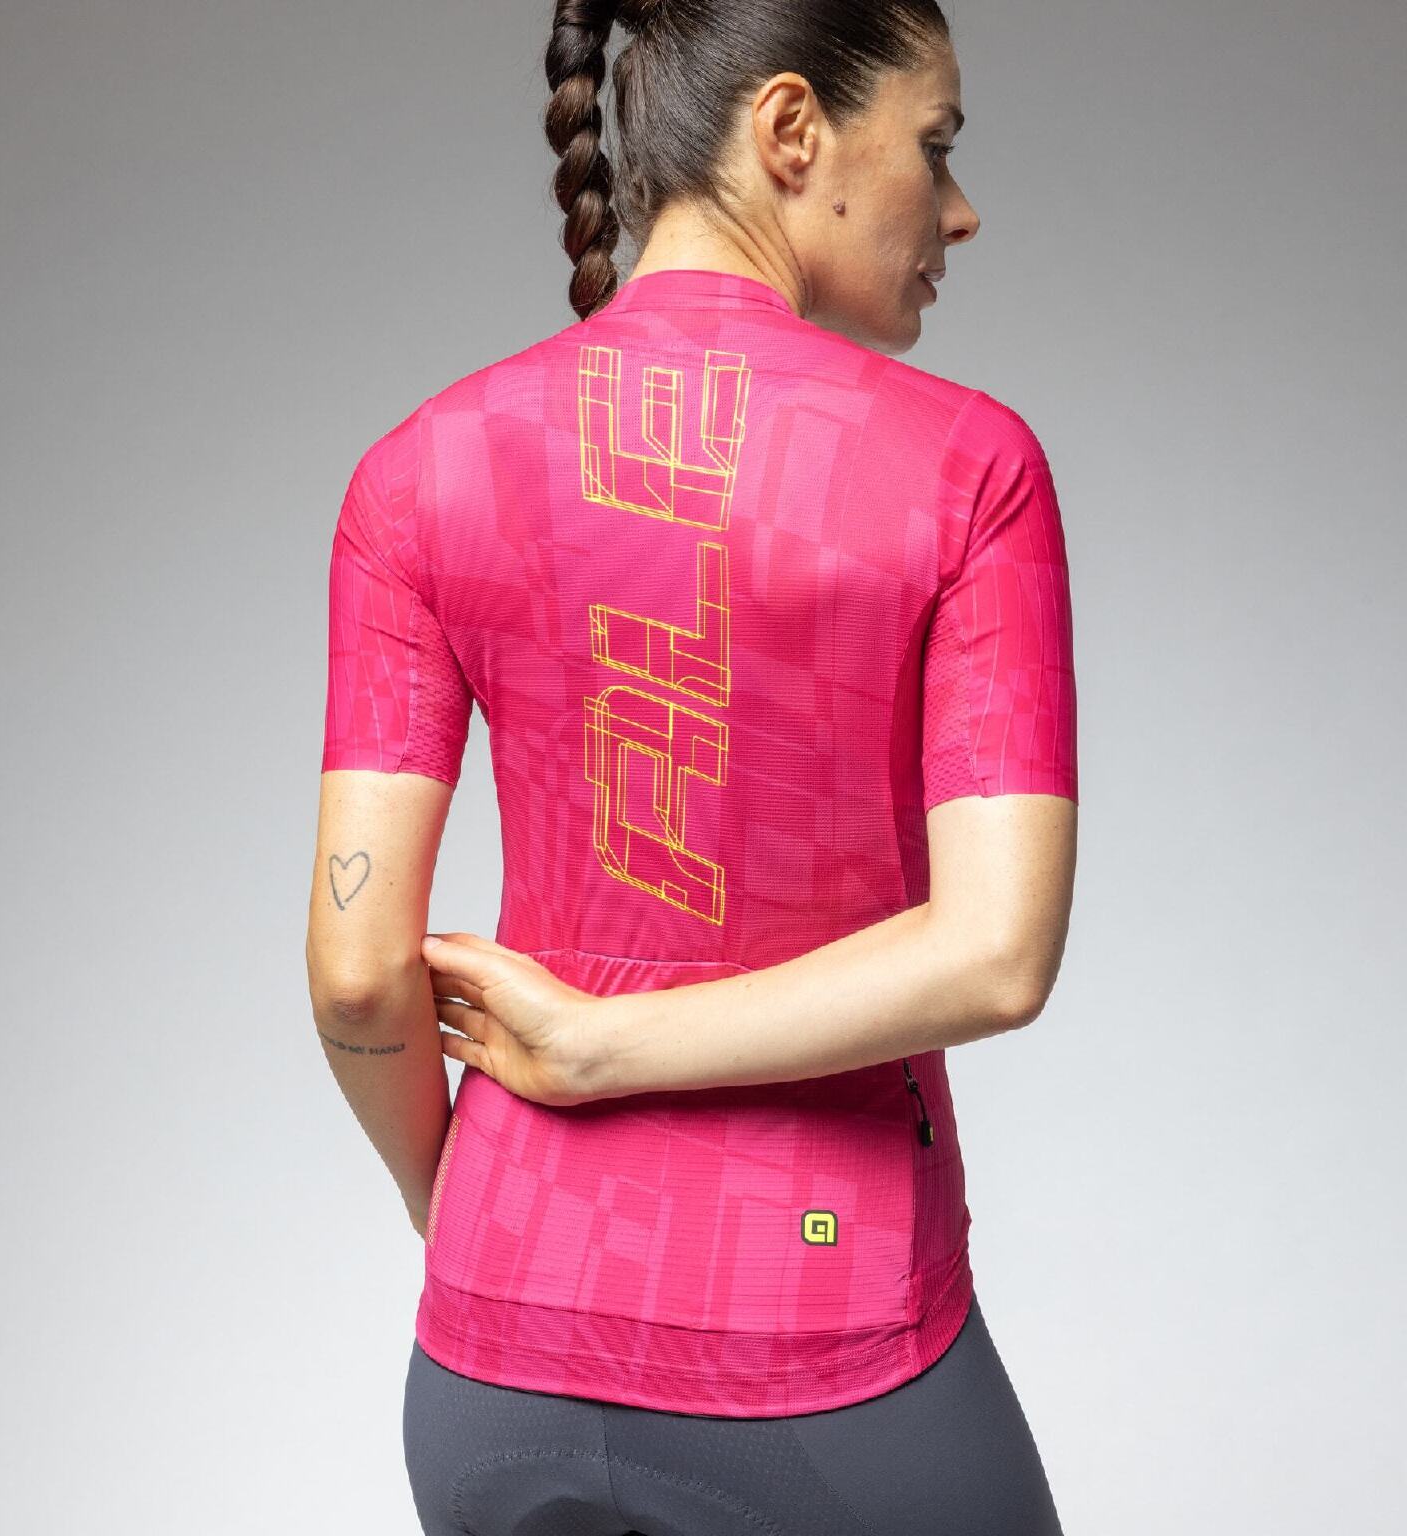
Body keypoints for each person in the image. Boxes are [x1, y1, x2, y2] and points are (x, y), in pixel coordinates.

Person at [305, 1, 1078, 1530]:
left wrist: (461, 1212)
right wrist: (599, 1047)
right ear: (790, 130)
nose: (959, 209)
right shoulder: (968, 472)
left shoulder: (416, 472)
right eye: (934, 146)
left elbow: (351, 974)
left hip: (491, 1356)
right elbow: (997, 956)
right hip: (828, 1344)